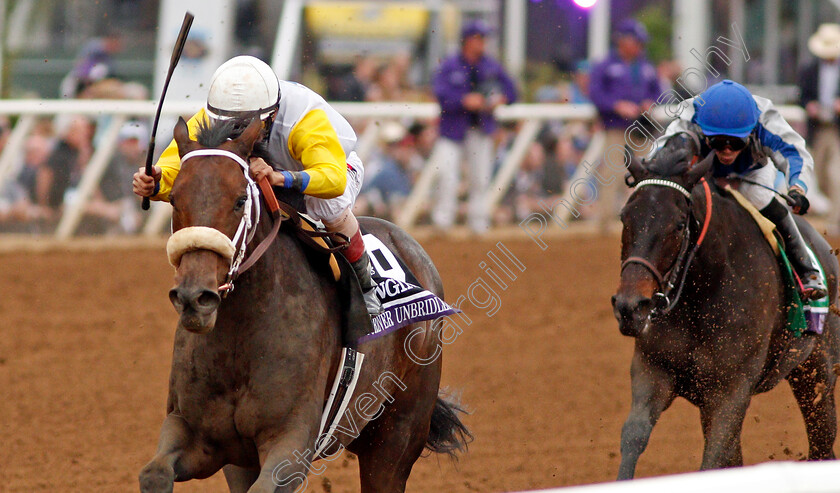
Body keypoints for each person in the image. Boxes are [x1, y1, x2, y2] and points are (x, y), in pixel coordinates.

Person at [132, 55, 381, 315]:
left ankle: (365, 286)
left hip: (330, 168)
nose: (237, 133)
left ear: (272, 114)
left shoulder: (305, 119)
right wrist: (157, 182)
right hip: (264, 168)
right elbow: (180, 167)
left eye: (245, 125)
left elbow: (333, 179)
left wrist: (282, 178)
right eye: (230, 125)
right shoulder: (217, 112)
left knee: (328, 205)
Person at [657, 79, 827, 300]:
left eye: (735, 143)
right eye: (718, 142)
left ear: (750, 131)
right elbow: (660, 154)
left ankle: (807, 270)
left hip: (752, 172)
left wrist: (797, 188)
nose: (727, 150)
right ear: (704, 130)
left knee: (758, 196)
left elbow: (795, 153)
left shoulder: (765, 120)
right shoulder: (690, 118)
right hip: (702, 172)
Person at [431, 19, 518, 234]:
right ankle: (443, 222)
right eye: (478, 38)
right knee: (446, 175)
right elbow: (440, 95)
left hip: (480, 129)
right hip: (453, 129)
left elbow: (513, 91)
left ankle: (478, 222)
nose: (482, 43)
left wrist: (500, 99)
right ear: (467, 40)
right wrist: (463, 100)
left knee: (481, 178)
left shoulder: (491, 65)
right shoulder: (450, 65)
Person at [588, 19, 662, 232]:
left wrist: (651, 102)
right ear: (624, 41)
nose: (639, 47)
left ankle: (649, 220)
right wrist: (616, 105)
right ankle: (606, 223)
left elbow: (658, 91)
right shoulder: (606, 65)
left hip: (641, 128)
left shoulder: (646, 66)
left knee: (650, 171)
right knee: (611, 173)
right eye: (636, 42)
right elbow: (595, 93)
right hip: (616, 126)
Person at [798, 23, 840, 232]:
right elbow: (802, 96)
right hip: (818, 128)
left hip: (836, 129)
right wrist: (809, 105)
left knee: (835, 173)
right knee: (821, 173)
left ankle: (835, 222)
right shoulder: (810, 69)